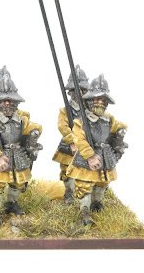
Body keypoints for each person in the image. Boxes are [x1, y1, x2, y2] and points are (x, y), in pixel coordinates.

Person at [0, 74, 42, 225]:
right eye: (4, 101)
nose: (7, 104)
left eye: (11, 100)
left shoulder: (21, 120)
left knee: (18, 183)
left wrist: (32, 137)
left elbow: (36, 128)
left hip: (17, 155)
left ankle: (11, 204)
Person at [66, 74, 128, 225]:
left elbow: (119, 127)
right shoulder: (82, 121)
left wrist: (120, 135)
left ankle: (96, 203)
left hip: (104, 157)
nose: (100, 102)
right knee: (84, 185)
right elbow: (79, 139)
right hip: (86, 158)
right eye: (97, 99)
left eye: (103, 100)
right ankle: (85, 211)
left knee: (102, 183)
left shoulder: (108, 119)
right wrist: (90, 156)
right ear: (90, 100)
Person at [51, 65, 89, 204]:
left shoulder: (90, 109)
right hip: (69, 145)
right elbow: (62, 126)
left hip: (87, 144)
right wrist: (72, 142)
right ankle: (69, 192)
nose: (79, 93)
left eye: (83, 90)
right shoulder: (66, 110)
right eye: (75, 90)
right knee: (67, 170)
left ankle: (88, 194)